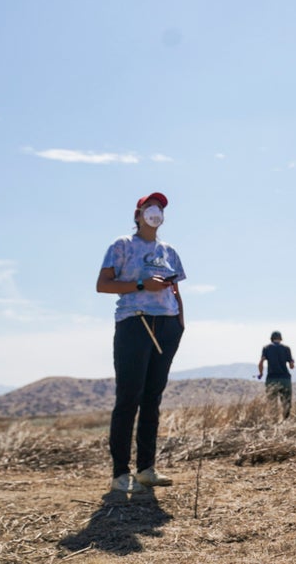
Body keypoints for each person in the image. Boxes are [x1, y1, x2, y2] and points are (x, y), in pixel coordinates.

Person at [96, 191, 186, 495]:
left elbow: (175, 289)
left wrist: (180, 322)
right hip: (134, 323)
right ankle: (120, 473)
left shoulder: (169, 251)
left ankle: (146, 469)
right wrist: (140, 284)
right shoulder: (122, 245)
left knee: (152, 398)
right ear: (138, 215)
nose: (155, 211)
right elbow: (102, 284)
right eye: (150, 206)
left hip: (167, 325)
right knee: (128, 398)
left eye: (160, 207)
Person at [257, 330, 296, 419]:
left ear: (271, 339)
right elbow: (292, 366)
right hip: (285, 379)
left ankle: (273, 420)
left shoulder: (266, 348)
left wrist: (261, 373)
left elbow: (261, 362)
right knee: (286, 402)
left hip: (272, 379)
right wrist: (292, 361)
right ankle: (286, 421)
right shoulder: (286, 348)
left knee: (272, 402)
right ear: (280, 339)